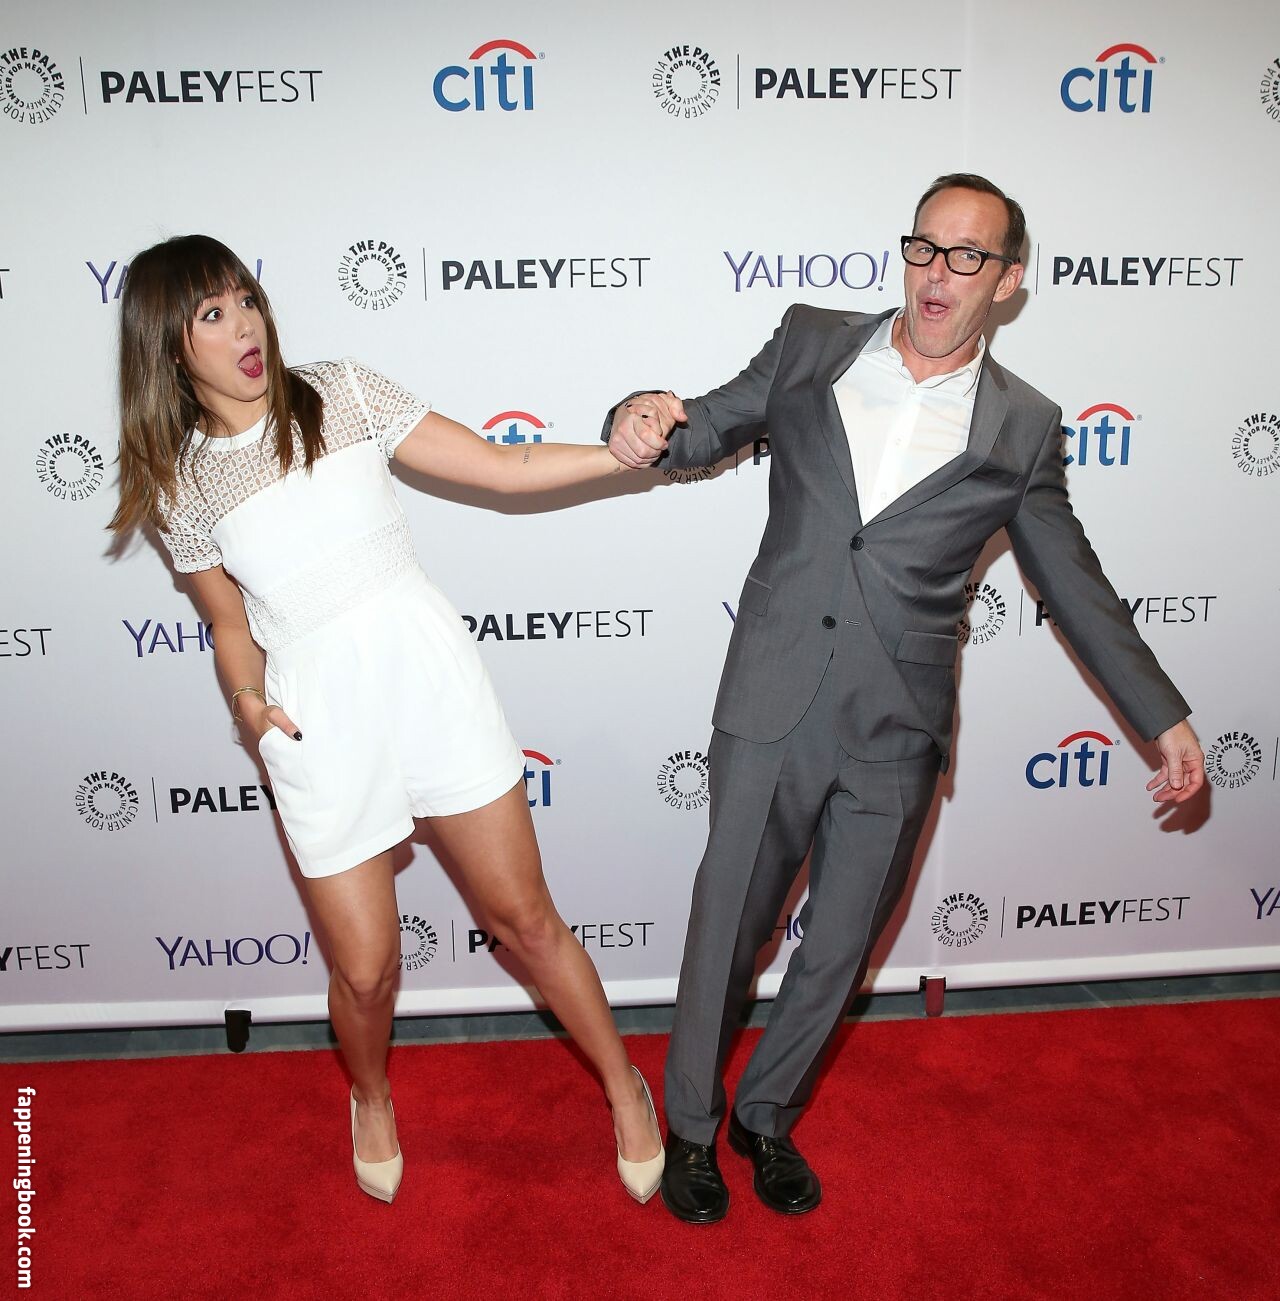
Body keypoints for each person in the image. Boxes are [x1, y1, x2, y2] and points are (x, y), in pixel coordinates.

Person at [605, 174, 1205, 1224]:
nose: (937, 272)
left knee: (839, 947)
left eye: (967, 256)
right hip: (772, 695)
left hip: (898, 722)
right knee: (725, 922)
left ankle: (765, 1115)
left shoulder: (1025, 424)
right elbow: (701, 427)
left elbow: (1072, 581)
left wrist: (1160, 714)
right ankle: (691, 1124)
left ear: (1006, 281)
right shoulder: (811, 341)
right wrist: (641, 416)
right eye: (924, 247)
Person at [109, 235, 664, 1206]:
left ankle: (625, 1085)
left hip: (429, 682)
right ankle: (369, 1094)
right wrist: (250, 707)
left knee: (526, 921)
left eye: (246, 299)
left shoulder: (340, 392)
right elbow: (230, 624)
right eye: (212, 314)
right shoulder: (180, 483)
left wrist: (614, 455)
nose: (245, 326)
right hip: (318, 721)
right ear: (168, 345)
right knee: (365, 971)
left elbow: (497, 464)